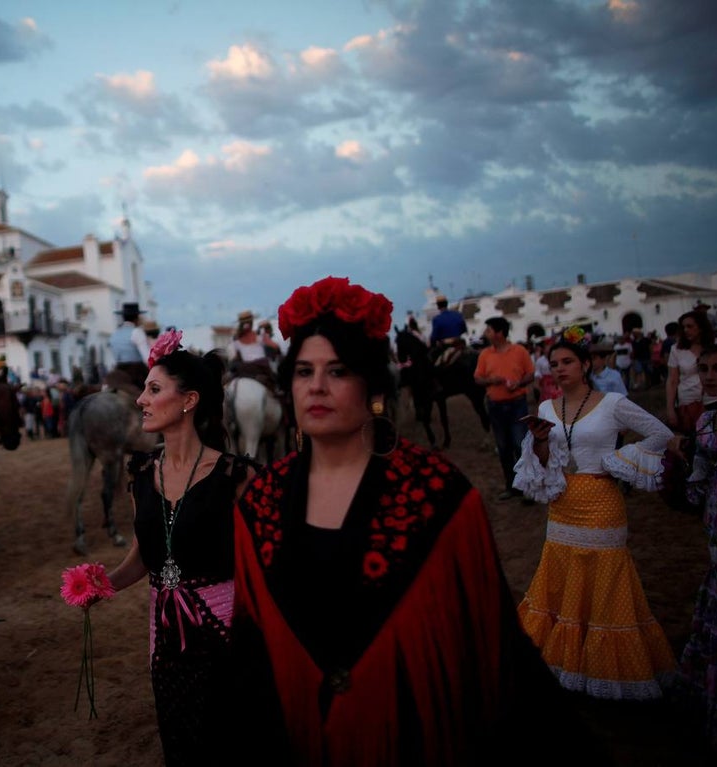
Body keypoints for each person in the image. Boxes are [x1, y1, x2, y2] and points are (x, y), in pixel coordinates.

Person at [232, 276, 591, 765]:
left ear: (371, 385)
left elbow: (487, 645)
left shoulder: (439, 496)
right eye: (302, 371)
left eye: (337, 371)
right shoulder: (259, 504)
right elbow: (249, 654)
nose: (315, 386)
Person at [99, 329, 254, 765]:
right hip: (166, 642)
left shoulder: (236, 477)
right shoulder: (142, 474)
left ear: (188, 400)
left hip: (225, 636)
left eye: (153, 389)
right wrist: (102, 585)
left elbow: (266, 566)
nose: (140, 400)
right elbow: (144, 558)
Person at [513, 326, 676, 699]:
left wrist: (618, 461)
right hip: (562, 505)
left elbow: (661, 434)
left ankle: (604, 667)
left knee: (604, 581)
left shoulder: (613, 403)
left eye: (568, 361)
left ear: (586, 364)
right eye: (554, 363)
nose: (559, 369)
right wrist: (540, 442)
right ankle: (570, 661)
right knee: (563, 575)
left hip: (601, 502)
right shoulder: (544, 407)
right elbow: (545, 461)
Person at [673, 328, 717, 756]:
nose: (709, 376)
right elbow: (698, 482)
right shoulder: (704, 419)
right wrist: (680, 468)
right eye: (703, 369)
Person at [473, 316, 535, 501]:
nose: (486, 334)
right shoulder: (485, 354)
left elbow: (530, 374)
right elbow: (477, 378)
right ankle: (512, 485)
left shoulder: (519, 351)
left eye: (489, 330)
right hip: (495, 406)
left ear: (499, 333)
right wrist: (491, 380)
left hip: (517, 403)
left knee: (519, 444)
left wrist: (518, 383)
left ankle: (527, 487)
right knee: (503, 447)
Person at [667, 310, 717, 434]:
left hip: (715, 399)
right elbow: (672, 380)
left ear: (700, 327)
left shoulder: (715, 346)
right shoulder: (676, 350)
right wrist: (670, 409)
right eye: (683, 327)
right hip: (688, 403)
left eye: (690, 326)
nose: (685, 330)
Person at [226, 310, 279, 391]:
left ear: (240, 323)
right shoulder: (260, 335)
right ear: (251, 322)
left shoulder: (236, 339)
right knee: (276, 382)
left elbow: (235, 357)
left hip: (244, 368)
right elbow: (275, 347)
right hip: (261, 367)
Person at [105, 302, 151, 392]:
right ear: (136, 318)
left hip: (118, 370)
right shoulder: (137, 332)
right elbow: (147, 358)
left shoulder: (114, 334)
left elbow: (111, 358)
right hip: (136, 373)